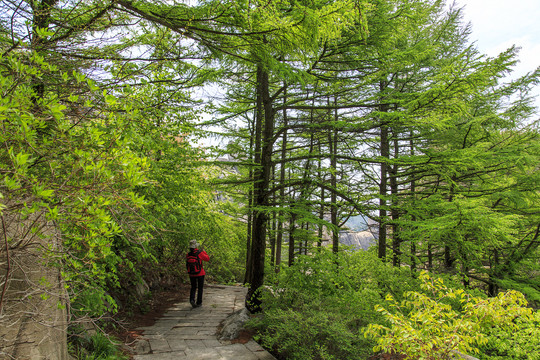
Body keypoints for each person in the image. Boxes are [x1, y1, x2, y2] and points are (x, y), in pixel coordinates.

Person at [186, 239, 210, 308]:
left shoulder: (188, 254)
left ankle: (192, 300)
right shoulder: (199, 253)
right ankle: (199, 302)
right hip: (200, 273)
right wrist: (204, 252)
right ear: (196, 246)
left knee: (193, 287)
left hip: (191, 273)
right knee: (200, 288)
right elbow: (207, 259)